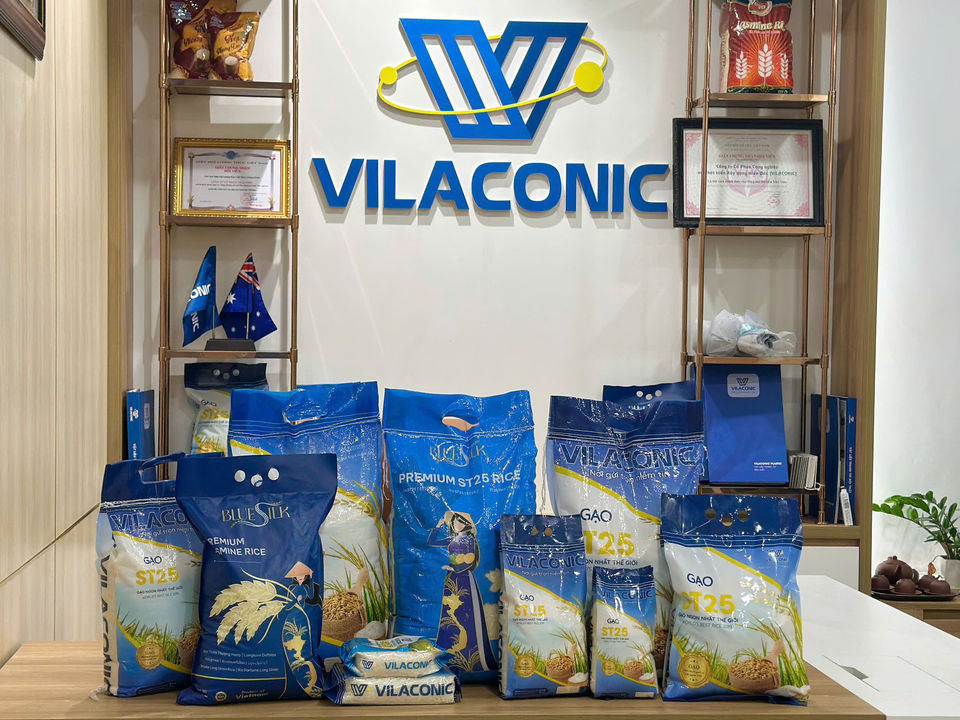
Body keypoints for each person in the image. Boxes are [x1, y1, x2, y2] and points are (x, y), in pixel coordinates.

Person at [427, 511, 496, 673]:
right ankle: (447, 656)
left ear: (467, 525)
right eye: (455, 522)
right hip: (452, 578)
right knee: (449, 614)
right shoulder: (453, 538)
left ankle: (472, 658)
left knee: (466, 613)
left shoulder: (469, 539)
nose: (457, 524)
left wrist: (455, 568)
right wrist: (438, 526)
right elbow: (432, 542)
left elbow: (469, 561)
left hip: (464, 578)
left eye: (461, 522)